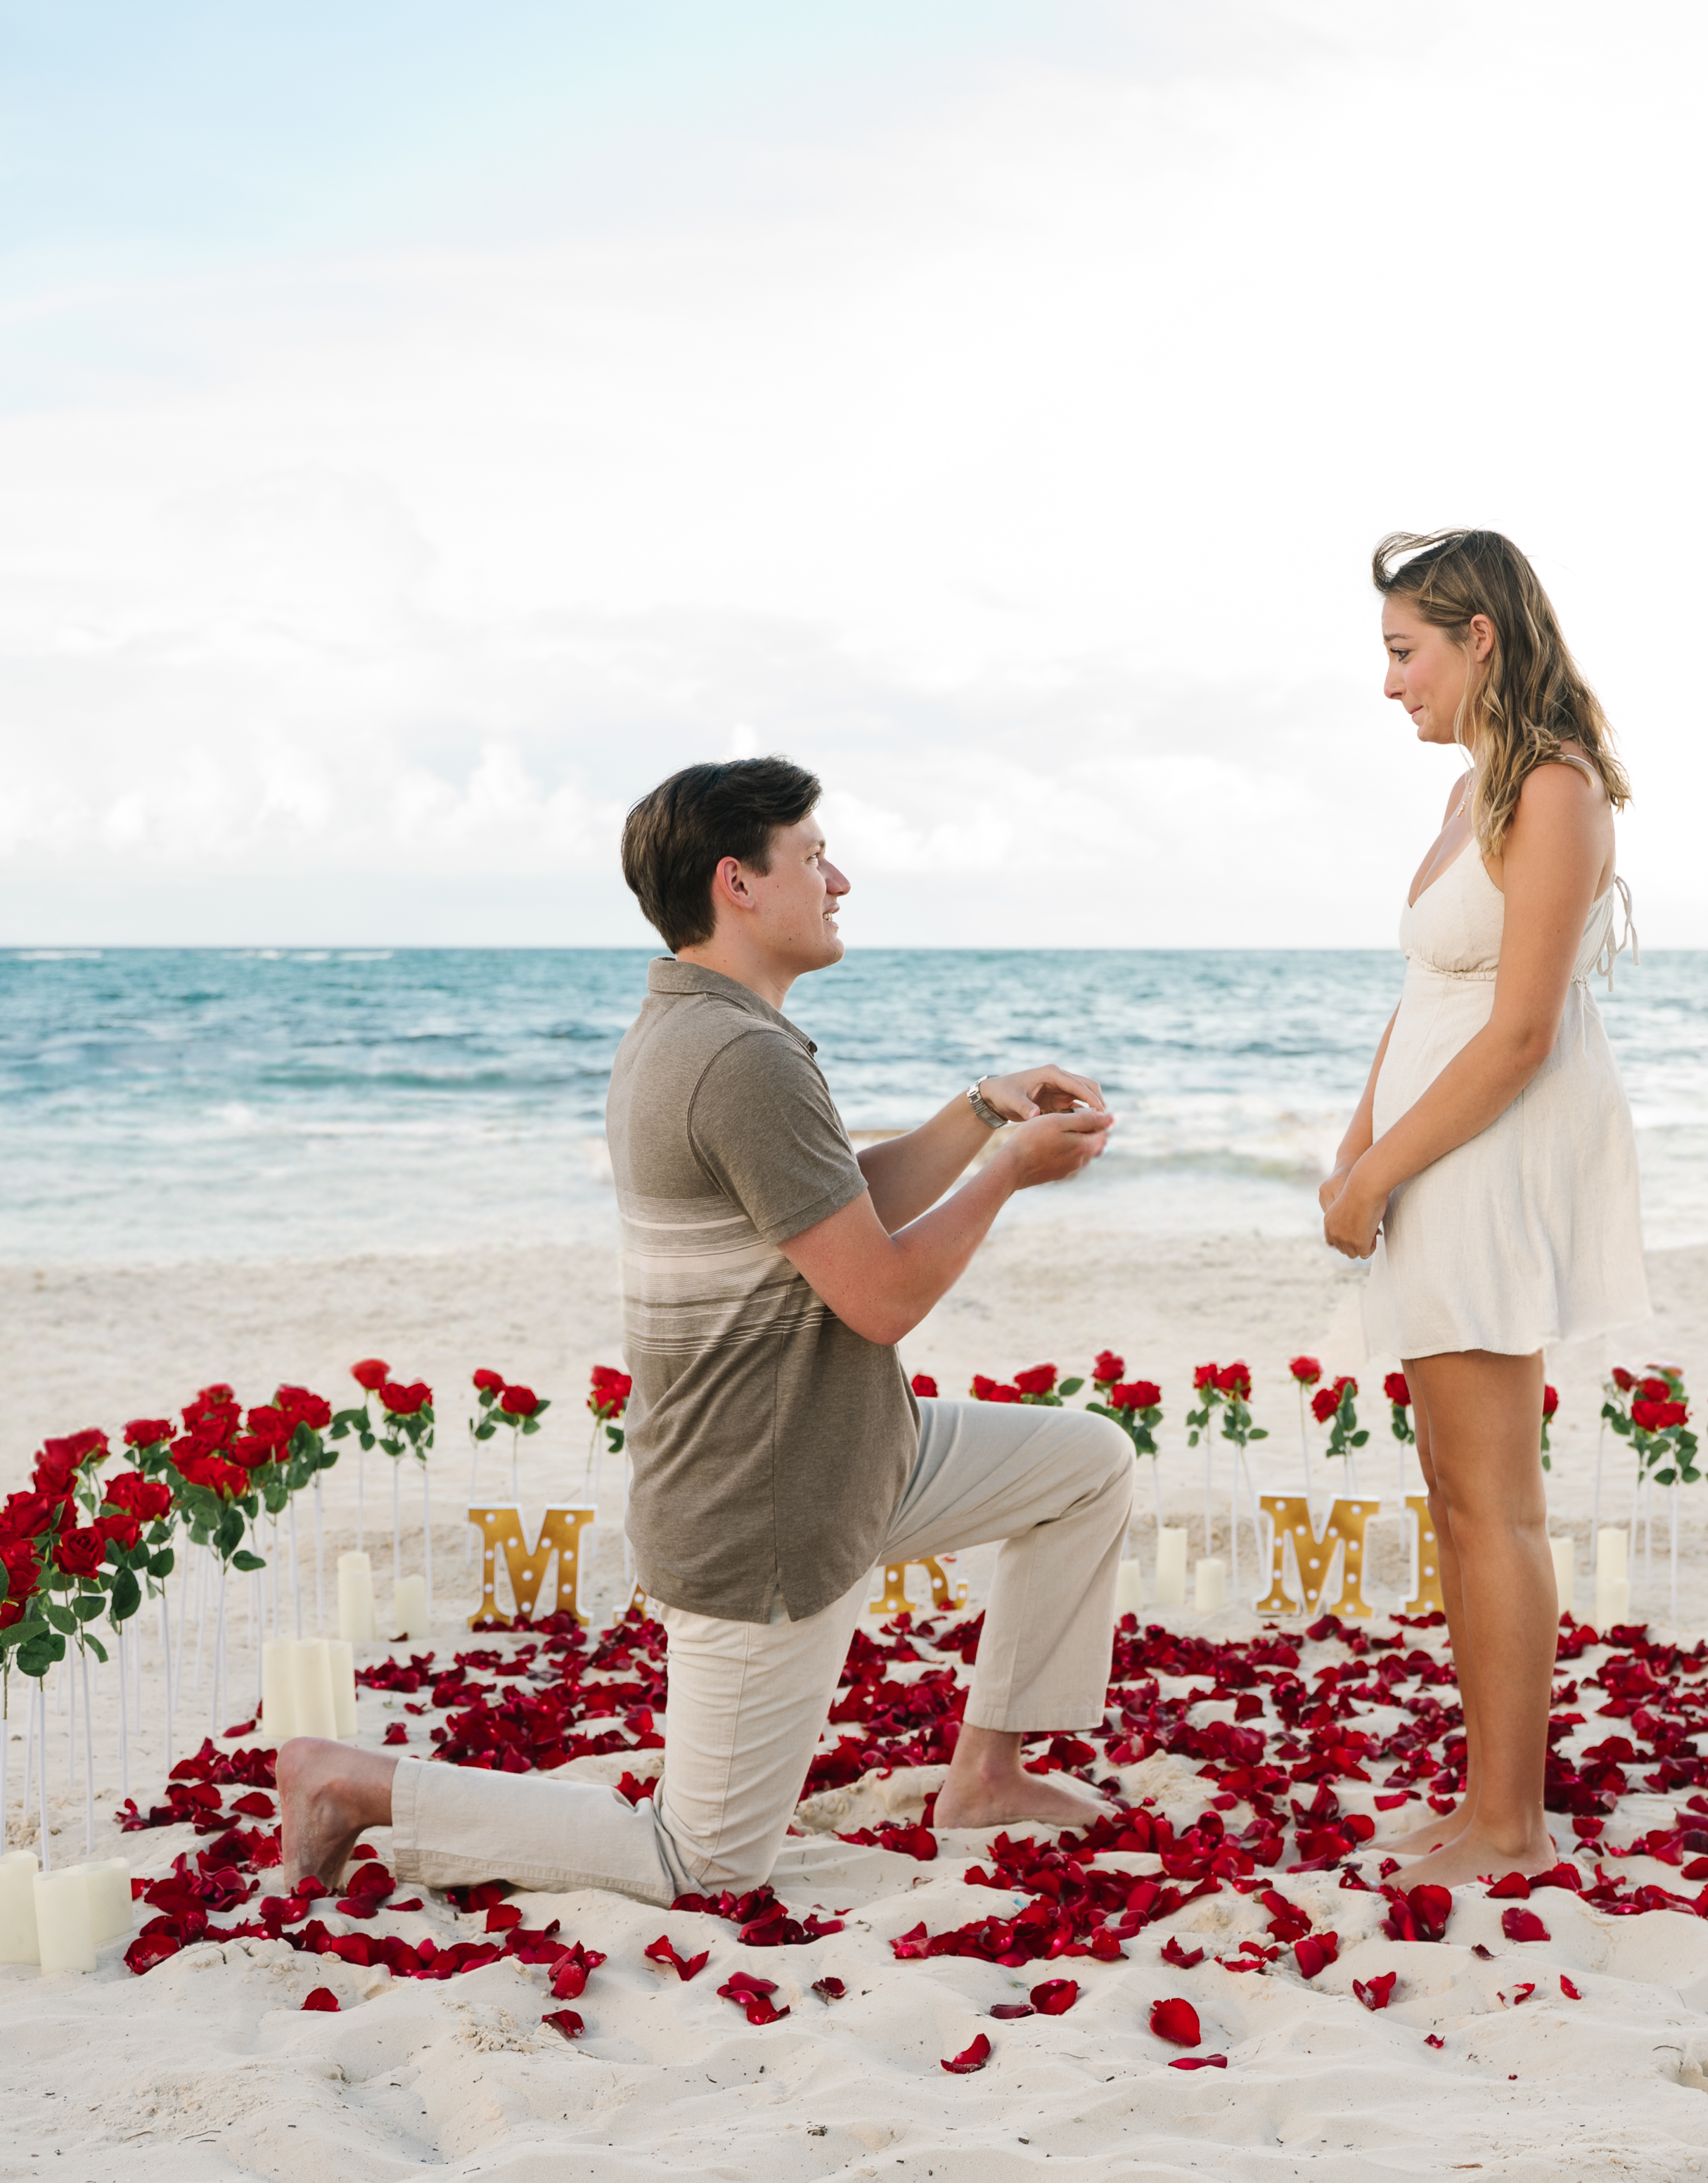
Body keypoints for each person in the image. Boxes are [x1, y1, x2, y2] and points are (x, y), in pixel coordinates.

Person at [278, 757, 1134, 1901]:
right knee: (705, 1863)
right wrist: (1006, 1174)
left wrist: (978, 1112)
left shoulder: (701, 1027)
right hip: (769, 1499)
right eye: (816, 854)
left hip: (855, 1445)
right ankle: (356, 1783)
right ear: (738, 881)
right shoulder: (739, 1059)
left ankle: (985, 1775)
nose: (843, 878)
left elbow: (826, 1210)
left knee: (1085, 1465)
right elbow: (877, 1297)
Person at [1322, 529, 1649, 1888]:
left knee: (1494, 1504)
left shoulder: (1556, 791)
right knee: (1456, 1494)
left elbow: (1516, 1035)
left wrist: (1386, 1171)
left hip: (1489, 1161)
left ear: (1482, 640)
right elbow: (1427, 1002)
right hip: (1432, 1155)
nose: (1391, 683)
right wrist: (1353, 1149)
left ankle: (1510, 1821)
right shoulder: (1472, 794)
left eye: (1407, 653)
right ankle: (1484, 1799)